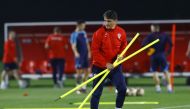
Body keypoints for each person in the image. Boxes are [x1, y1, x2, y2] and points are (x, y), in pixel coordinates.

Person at [90, 10, 127, 109]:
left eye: (109, 21)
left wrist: (121, 55)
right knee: (96, 92)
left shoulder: (121, 32)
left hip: (115, 66)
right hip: (99, 67)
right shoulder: (98, 33)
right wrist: (105, 64)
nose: (106, 23)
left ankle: (118, 108)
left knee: (122, 89)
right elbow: (95, 51)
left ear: (116, 21)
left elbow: (124, 46)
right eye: (105, 21)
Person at [142, 24, 173, 93]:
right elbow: (171, 44)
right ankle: (169, 88)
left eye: (151, 28)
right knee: (166, 71)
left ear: (153, 28)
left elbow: (143, 44)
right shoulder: (164, 35)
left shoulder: (150, 36)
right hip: (162, 55)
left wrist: (149, 50)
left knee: (155, 72)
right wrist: (167, 53)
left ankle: (158, 88)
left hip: (153, 56)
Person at [70, 20, 91, 94]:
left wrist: (89, 52)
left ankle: (84, 86)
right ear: (78, 25)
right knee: (79, 72)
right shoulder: (74, 34)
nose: (84, 27)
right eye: (83, 25)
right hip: (79, 55)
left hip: (85, 55)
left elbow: (87, 43)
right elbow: (73, 45)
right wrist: (76, 53)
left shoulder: (84, 33)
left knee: (88, 71)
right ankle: (78, 87)